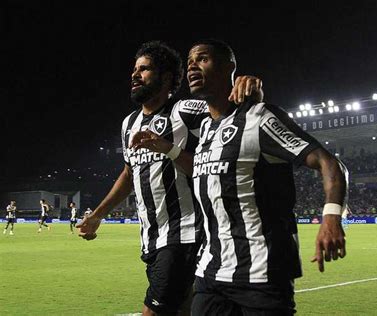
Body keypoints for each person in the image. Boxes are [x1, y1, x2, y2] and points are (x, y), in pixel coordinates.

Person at [132, 39, 348, 315]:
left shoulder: (260, 118)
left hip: (262, 276)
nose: (192, 67)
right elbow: (203, 173)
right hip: (211, 273)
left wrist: (331, 218)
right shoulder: (207, 128)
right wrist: (167, 148)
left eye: (203, 59)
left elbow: (329, 163)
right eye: (189, 62)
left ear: (229, 68)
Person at [77, 40, 263, 316]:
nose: (135, 75)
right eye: (134, 69)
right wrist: (98, 215)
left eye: (144, 69)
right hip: (151, 239)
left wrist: (242, 86)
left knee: (153, 312)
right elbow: (129, 174)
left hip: (185, 234)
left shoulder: (185, 110)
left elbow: (229, 112)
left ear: (165, 78)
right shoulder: (129, 124)